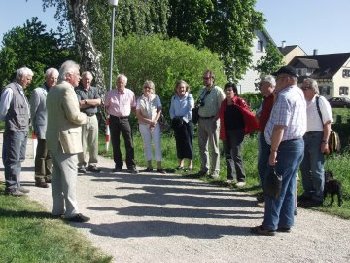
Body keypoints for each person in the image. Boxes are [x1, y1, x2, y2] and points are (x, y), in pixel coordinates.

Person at [251, 66, 306, 236]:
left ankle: (269, 225)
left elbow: (279, 128)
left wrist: (273, 151)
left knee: (274, 185)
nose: (277, 83)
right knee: (288, 186)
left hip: (284, 146)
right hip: (297, 144)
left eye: (280, 78)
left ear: (289, 79)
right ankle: (285, 221)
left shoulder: (284, 97)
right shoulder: (298, 93)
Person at [46, 60, 89, 222]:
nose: (79, 78)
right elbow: (74, 116)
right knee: (70, 176)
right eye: (77, 74)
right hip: (66, 140)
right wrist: (86, 117)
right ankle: (71, 211)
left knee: (57, 176)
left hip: (54, 138)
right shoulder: (67, 90)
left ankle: (57, 209)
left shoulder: (53, 90)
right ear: (69, 75)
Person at [298, 78, 333, 207]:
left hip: (317, 136)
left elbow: (327, 123)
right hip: (303, 136)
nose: (302, 90)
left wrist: (325, 141)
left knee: (316, 168)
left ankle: (319, 196)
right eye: (301, 88)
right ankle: (308, 192)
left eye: (304, 88)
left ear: (313, 89)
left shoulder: (321, 101)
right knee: (304, 167)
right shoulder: (302, 102)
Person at [218, 83, 259, 187]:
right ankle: (230, 178)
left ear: (234, 92)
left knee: (236, 155)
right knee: (228, 155)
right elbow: (220, 115)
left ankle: (241, 179)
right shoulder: (224, 103)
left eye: (230, 90)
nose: (227, 92)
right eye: (226, 90)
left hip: (237, 131)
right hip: (226, 131)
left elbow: (247, 112)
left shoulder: (239, 101)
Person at [0, 67, 33, 196]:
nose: (29, 82)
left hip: (23, 129)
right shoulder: (10, 90)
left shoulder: (21, 91)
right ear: (20, 77)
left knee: (19, 158)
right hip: (14, 130)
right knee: (12, 159)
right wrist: (10, 123)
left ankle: (17, 184)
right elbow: (2, 111)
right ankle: (11, 187)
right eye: (28, 79)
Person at [30, 68, 59, 188]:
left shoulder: (57, 91)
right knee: (42, 154)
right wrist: (34, 127)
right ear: (46, 78)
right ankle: (39, 177)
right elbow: (32, 111)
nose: (54, 80)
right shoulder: (38, 92)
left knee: (51, 154)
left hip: (54, 128)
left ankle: (48, 175)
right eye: (51, 78)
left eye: (56, 78)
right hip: (43, 127)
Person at [104, 74, 138, 173]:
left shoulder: (130, 93)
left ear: (125, 83)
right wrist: (109, 115)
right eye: (118, 82)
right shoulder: (110, 93)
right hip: (113, 119)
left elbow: (134, 107)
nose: (120, 84)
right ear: (116, 82)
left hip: (125, 119)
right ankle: (118, 165)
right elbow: (106, 106)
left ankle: (131, 165)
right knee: (115, 143)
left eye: (122, 82)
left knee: (129, 142)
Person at [195, 70, 225, 178]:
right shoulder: (202, 90)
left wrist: (216, 119)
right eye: (204, 78)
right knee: (202, 146)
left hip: (213, 120)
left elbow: (223, 107)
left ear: (213, 79)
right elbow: (197, 104)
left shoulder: (218, 90)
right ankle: (204, 168)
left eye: (207, 78)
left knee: (214, 147)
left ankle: (215, 171)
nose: (205, 80)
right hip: (201, 120)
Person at [135, 80, 165, 173]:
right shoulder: (140, 99)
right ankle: (149, 166)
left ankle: (159, 166)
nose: (147, 89)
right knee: (146, 144)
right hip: (143, 124)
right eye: (145, 87)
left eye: (149, 88)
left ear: (152, 89)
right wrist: (149, 121)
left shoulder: (156, 97)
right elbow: (138, 114)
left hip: (155, 125)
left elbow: (159, 110)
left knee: (157, 144)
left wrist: (155, 121)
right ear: (143, 89)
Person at [75, 71, 102, 174]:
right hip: (83, 117)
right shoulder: (77, 90)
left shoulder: (95, 89)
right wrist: (92, 103)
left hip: (93, 117)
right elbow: (78, 105)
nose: (87, 81)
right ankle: (81, 164)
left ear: (91, 80)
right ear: (82, 79)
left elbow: (99, 102)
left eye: (89, 79)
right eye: (85, 79)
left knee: (94, 142)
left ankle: (93, 164)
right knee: (82, 142)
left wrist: (86, 101)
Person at [256, 75, 276, 201]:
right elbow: (259, 114)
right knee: (262, 165)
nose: (260, 88)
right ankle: (266, 192)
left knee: (267, 165)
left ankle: (270, 193)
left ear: (269, 85)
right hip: (264, 134)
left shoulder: (276, 98)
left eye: (262, 85)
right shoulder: (266, 99)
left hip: (272, 136)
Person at [169, 80, 194, 171]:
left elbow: (191, 109)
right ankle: (180, 164)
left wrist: (183, 120)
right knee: (179, 143)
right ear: (176, 89)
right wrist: (174, 119)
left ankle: (190, 164)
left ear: (186, 88)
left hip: (187, 122)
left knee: (188, 143)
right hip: (177, 122)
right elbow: (171, 110)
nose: (181, 89)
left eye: (183, 87)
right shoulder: (174, 98)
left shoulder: (189, 97)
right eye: (179, 88)